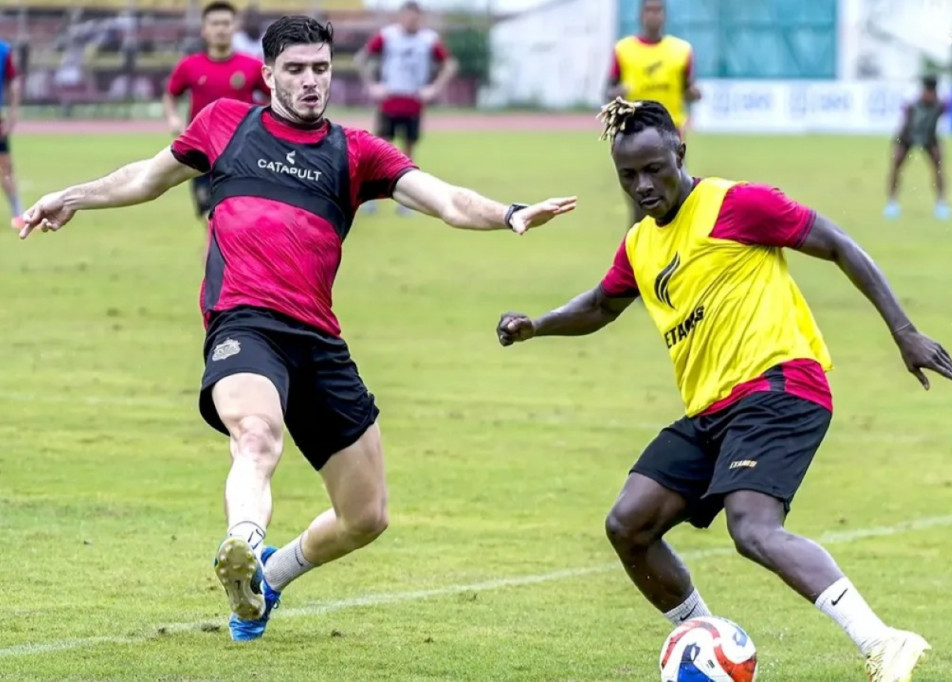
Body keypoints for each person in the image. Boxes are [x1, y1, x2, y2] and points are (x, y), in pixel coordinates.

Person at [15, 15, 576, 643]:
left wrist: (511, 213)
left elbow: (442, 199)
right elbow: (144, 178)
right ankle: (243, 543)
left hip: (318, 341)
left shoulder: (357, 152)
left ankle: (268, 576)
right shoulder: (226, 124)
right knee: (255, 436)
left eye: (321, 69)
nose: (311, 82)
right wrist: (74, 195)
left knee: (365, 515)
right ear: (269, 75)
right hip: (243, 323)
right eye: (296, 70)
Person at [495, 98, 952, 682]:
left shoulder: (735, 204)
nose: (642, 185)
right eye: (628, 176)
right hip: (713, 409)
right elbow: (598, 305)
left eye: (653, 169)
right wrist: (536, 325)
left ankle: (884, 641)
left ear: (679, 153)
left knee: (752, 527)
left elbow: (839, 243)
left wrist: (905, 331)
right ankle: (709, 642)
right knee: (629, 524)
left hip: (781, 386)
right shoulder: (641, 244)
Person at [163, 1, 270, 220]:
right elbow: (171, 94)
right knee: (209, 219)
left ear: (234, 27)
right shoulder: (189, 66)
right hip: (201, 152)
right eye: (215, 24)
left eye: (226, 23)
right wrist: (173, 118)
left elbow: (274, 97)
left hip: (242, 151)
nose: (220, 29)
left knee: (237, 217)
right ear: (204, 29)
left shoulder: (252, 65)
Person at [354, 0, 458, 215]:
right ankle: (369, 198)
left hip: (413, 102)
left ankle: (406, 202)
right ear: (401, 16)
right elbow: (361, 58)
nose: (412, 20)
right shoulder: (388, 36)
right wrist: (372, 85)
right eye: (408, 16)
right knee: (378, 151)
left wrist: (434, 88)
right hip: (390, 100)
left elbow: (449, 64)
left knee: (408, 154)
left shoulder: (428, 39)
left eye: (416, 17)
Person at [607, 0, 700, 228]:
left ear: (664, 15)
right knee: (640, 202)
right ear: (640, 15)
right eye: (648, 10)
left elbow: (689, 89)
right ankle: (635, 253)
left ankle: (676, 251)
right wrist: (617, 92)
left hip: (669, 134)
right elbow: (609, 90)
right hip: (634, 136)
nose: (653, 15)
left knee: (674, 198)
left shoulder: (681, 50)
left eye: (658, 10)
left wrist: (693, 93)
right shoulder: (623, 49)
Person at [885, 76, 951, 220]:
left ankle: (941, 204)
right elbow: (903, 126)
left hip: (929, 138)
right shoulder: (912, 106)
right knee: (896, 166)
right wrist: (897, 143)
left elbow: (948, 106)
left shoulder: (939, 105)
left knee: (939, 167)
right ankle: (892, 203)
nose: (928, 96)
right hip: (908, 137)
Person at [1, 39, 23, 230]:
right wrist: (13, 114)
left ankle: (18, 213)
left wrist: (13, 114)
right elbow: (14, 83)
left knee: (5, 168)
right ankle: (18, 214)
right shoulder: (4, 50)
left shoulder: (4, 50)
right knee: (5, 169)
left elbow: (14, 82)